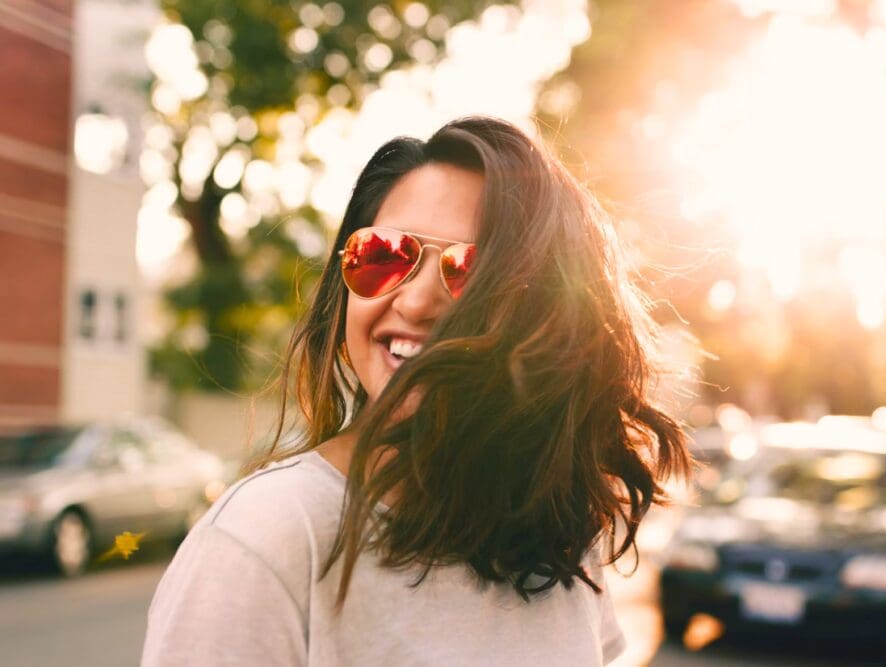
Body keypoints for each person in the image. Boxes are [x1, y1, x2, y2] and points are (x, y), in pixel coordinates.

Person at [142, 116, 691, 666]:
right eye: (384, 255)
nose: (415, 302)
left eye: (473, 274)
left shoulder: (557, 536)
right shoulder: (264, 538)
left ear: (550, 319)